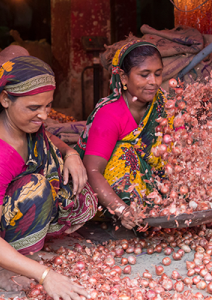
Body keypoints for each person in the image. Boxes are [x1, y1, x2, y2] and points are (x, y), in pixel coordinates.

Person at [0, 54, 98, 299]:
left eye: (47, 106)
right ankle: (7, 267)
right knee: (35, 188)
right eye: (34, 108)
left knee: (76, 190)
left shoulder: (26, 125)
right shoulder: (2, 155)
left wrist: (71, 153)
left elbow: (49, 138)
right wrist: (45, 275)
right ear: (4, 100)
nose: (43, 115)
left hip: (11, 208)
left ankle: (24, 255)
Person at [75, 40, 173, 230]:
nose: (153, 81)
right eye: (144, 75)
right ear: (124, 78)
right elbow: (92, 171)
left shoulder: (164, 106)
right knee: (126, 152)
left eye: (158, 74)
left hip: (157, 188)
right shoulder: (110, 114)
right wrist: (121, 210)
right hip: (111, 197)